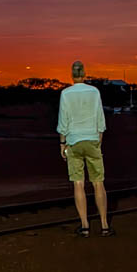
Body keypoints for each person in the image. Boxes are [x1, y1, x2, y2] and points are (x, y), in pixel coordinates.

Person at [57, 60, 113, 236]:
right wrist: (99, 140)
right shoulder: (94, 92)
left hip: (73, 141)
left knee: (78, 183)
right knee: (98, 182)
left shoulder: (65, 94)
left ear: (72, 75)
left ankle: (85, 225)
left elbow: (63, 121)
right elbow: (100, 119)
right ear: (84, 74)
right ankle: (104, 225)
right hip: (92, 138)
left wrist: (62, 144)